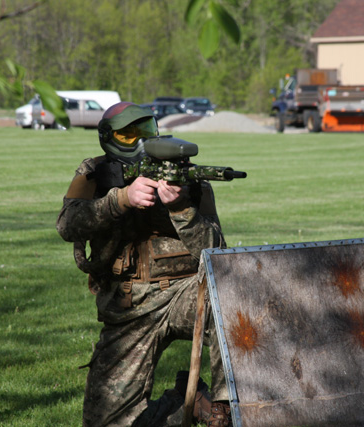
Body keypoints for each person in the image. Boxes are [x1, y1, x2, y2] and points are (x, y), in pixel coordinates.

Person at [56, 102, 232, 426]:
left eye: (146, 131)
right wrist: (121, 199)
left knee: (228, 301)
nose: (138, 142)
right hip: (128, 307)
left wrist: (182, 210)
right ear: (109, 139)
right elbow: (67, 225)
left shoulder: (185, 176)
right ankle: (185, 404)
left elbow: (218, 252)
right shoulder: (95, 172)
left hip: (184, 291)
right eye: (127, 135)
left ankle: (225, 407)